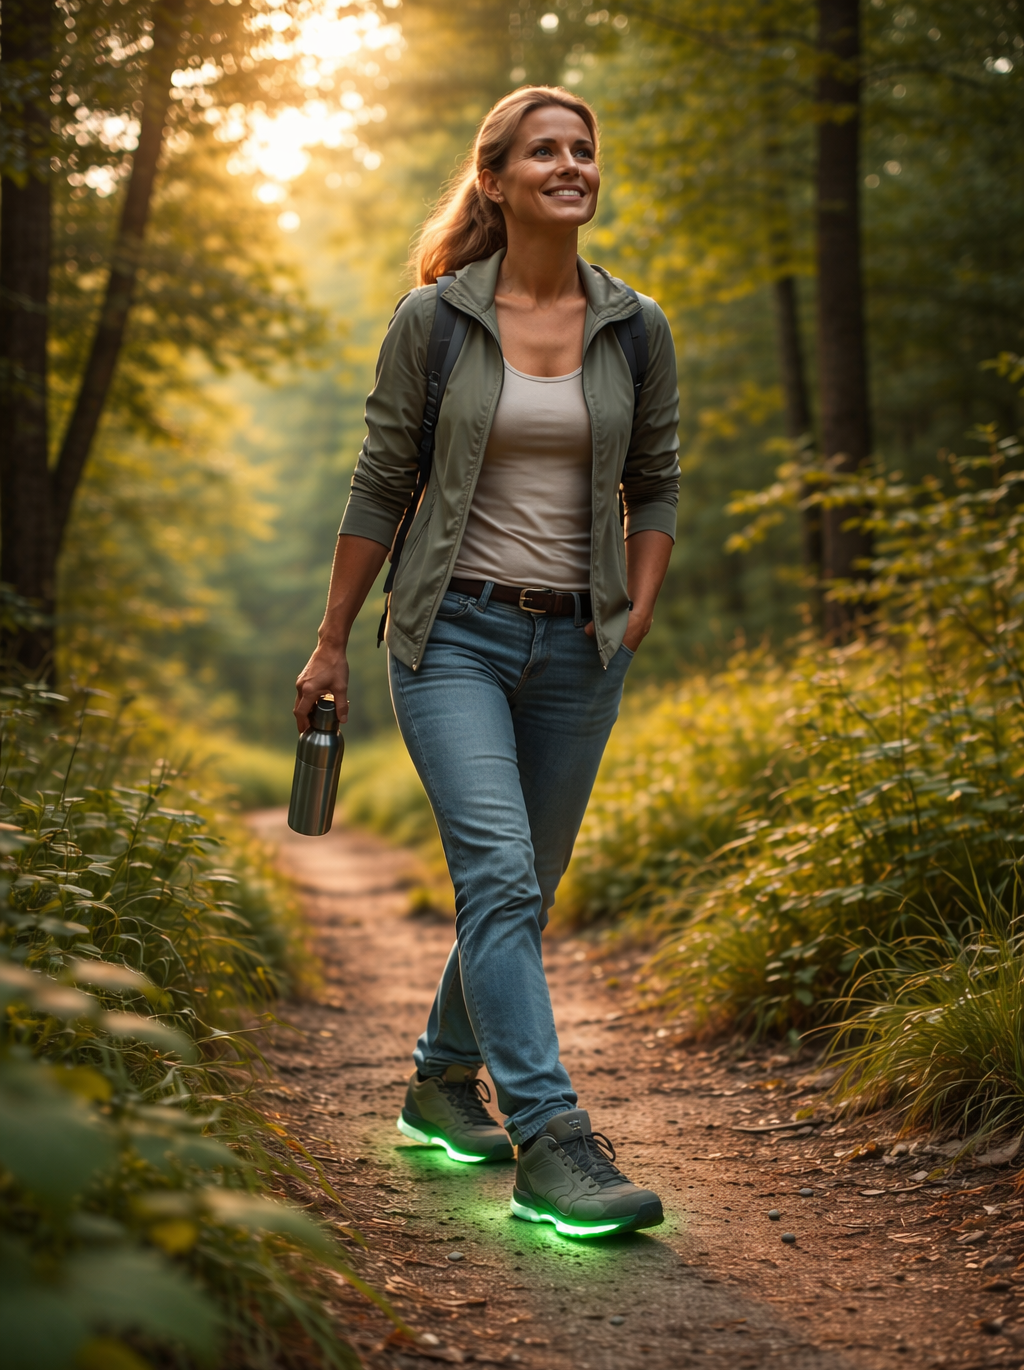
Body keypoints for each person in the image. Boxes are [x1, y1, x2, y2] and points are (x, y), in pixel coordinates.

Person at [294, 85, 680, 1238]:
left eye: (584, 150)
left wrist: (637, 606)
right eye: (544, 151)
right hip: (449, 633)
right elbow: (381, 482)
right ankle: (553, 1143)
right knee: (500, 877)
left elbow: (653, 478)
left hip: (580, 644)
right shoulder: (436, 322)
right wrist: (329, 638)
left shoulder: (635, 323)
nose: (570, 165)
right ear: (498, 178)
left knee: (525, 887)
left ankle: (436, 1080)